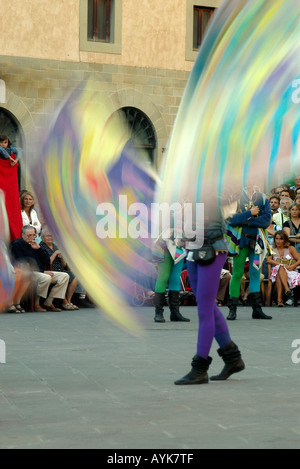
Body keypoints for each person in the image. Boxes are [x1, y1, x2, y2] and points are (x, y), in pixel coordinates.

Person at [174, 202, 245, 385]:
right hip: (193, 249)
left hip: (212, 248)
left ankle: (200, 368)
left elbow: (225, 216)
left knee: (205, 309)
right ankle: (232, 359)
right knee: (208, 307)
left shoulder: (215, 189)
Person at [226, 185, 272, 320]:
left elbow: (266, 220)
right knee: (237, 274)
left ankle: (257, 310)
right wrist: (249, 214)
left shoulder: (262, 198)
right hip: (241, 242)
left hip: (257, 243)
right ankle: (232, 309)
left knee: (255, 273)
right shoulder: (235, 197)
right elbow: (231, 219)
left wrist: (247, 220)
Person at [10, 225, 69, 312]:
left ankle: (48, 302)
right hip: (29, 272)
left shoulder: (35, 245)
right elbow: (23, 263)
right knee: (46, 277)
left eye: (33, 235)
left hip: (41, 272)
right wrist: (43, 271)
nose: (32, 237)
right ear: (22, 235)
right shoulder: (17, 244)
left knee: (64, 276)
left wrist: (39, 249)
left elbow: (47, 261)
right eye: (29, 235)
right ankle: (37, 304)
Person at [39, 229, 79, 310]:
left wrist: (62, 258)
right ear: (42, 237)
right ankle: (64, 303)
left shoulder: (55, 246)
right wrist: (56, 253)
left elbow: (64, 265)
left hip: (60, 269)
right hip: (50, 270)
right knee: (63, 278)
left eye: (52, 236)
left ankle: (69, 300)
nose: (50, 238)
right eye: (48, 236)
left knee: (75, 276)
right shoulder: (41, 247)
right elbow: (46, 262)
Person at [153, 238, 190, 322]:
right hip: (164, 245)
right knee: (163, 277)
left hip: (179, 246)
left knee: (175, 278)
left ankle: (175, 312)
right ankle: (158, 312)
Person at [267, 230, 300, 307]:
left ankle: (280, 300)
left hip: (291, 271)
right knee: (280, 268)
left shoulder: (290, 248)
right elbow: (268, 260)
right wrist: (281, 264)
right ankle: (287, 289)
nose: (278, 241)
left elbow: (299, 260)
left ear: (285, 240)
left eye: (281, 239)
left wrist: (292, 266)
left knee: (280, 271)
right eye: (276, 238)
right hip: (277, 272)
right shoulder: (272, 249)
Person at [0, 137, 23, 241]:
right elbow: (1, 150)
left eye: (5, 142)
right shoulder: (3, 150)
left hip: (10, 181)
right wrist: (10, 158)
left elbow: (21, 150)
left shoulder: (11, 148)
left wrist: (16, 159)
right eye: (1, 142)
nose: (3, 144)